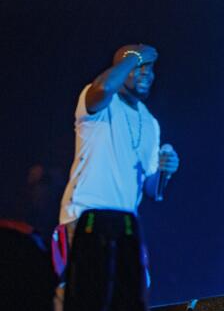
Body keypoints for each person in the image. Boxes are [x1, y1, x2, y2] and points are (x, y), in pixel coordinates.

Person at [57, 44, 180, 248]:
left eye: (149, 68)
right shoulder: (100, 100)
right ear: (121, 68)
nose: (146, 74)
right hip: (83, 216)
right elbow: (104, 87)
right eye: (138, 66)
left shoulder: (151, 122)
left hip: (124, 225)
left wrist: (164, 169)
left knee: (131, 280)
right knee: (85, 280)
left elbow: (150, 187)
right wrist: (134, 56)